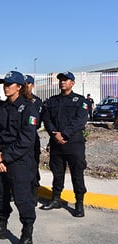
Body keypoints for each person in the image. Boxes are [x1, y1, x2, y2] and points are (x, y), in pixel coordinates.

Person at [0, 71, 38, 244]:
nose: (6, 87)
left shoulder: (28, 108)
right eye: (4, 84)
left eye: (9, 84)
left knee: (23, 199)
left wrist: (4, 157)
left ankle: (27, 235)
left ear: (19, 87)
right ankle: (1, 227)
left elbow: (27, 139)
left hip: (19, 161)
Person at [41, 71, 88, 217]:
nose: (62, 82)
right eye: (61, 79)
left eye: (66, 80)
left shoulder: (80, 101)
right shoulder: (52, 101)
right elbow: (46, 119)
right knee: (57, 173)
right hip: (56, 143)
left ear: (72, 83)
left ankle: (79, 203)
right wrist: (55, 133)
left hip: (74, 144)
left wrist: (65, 134)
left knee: (77, 174)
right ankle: (56, 199)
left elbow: (80, 121)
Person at [25, 75, 43, 206]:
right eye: (24, 83)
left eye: (28, 84)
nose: (26, 86)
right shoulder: (16, 101)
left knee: (33, 167)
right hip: (17, 141)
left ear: (32, 85)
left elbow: (37, 123)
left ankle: (33, 193)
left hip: (32, 139)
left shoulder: (37, 102)